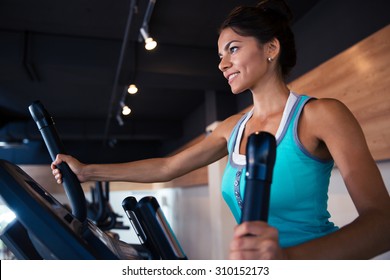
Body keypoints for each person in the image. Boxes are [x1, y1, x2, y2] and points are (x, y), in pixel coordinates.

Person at [51, 0, 390, 259]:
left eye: (233, 49)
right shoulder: (232, 128)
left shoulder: (320, 115)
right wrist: (87, 171)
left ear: (271, 48)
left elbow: (382, 225)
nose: (222, 64)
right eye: (220, 55)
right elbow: (168, 167)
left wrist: (285, 261)